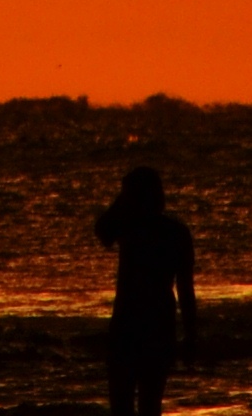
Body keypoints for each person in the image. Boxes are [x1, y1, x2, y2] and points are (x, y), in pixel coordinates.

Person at [96, 165, 197, 416]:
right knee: (150, 405)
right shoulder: (175, 232)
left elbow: (103, 230)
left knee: (122, 404)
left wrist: (121, 204)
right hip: (159, 324)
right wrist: (191, 335)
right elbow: (185, 288)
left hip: (128, 324)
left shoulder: (130, 229)